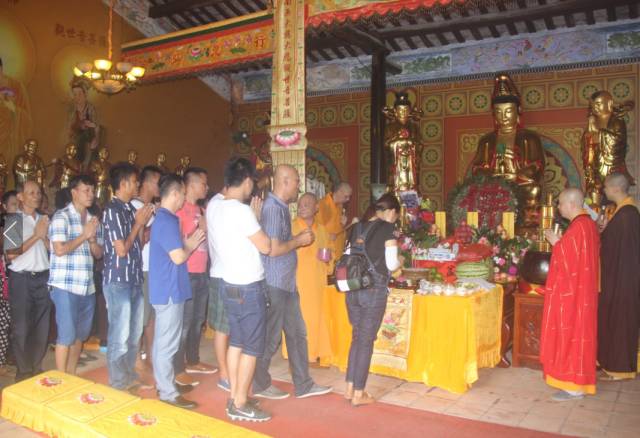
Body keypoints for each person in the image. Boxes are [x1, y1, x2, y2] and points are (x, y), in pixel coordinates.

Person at [253, 165, 331, 400]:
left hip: (287, 284)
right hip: (275, 283)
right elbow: (274, 249)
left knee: (297, 334)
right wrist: (298, 241)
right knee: (271, 337)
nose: (299, 185)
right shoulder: (274, 209)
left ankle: (303, 383)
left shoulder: (282, 208)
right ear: (284, 181)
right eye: (296, 181)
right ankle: (260, 383)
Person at [208, 157, 271, 422]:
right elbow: (265, 246)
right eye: (252, 184)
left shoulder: (214, 206)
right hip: (248, 286)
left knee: (237, 341)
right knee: (252, 347)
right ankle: (241, 403)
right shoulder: (242, 211)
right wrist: (256, 219)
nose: (252, 190)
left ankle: (235, 395)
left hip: (229, 283)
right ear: (246, 181)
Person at [150, 173, 205, 409]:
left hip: (172, 288)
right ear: (174, 194)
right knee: (167, 343)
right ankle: (167, 393)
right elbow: (179, 256)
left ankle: (167, 382)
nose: (184, 198)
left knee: (168, 342)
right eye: (182, 193)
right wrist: (191, 244)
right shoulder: (165, 220)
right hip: (168, 290)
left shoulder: (167, 219)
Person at [541, 188, 600, 401]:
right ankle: (576, 382)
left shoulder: (579, 227)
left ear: (572, 204)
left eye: (560, 203)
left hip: (574, 295)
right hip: (581, 291)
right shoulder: (586, 225)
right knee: (578, 335)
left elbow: (571, 262)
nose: (558, 207)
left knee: (572, 336)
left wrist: (557, 242)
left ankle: (574, 385)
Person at [343, 193, 401, 406]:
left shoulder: (357, 227)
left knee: (357, 337)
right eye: (396, 215)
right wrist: (400, 260)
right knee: (366, 340)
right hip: (373, 290)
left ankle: (350, 387)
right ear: (391, 212)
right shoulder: (388, 229)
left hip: (353, 288)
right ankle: (359, 393)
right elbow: (392, 264)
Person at [102, 162, 153, 392]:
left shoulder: (130, 209)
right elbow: (121, 249)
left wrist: (140, 225)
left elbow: (138, 244)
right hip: (118, 280)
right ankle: (118, 381)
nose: (137, 184)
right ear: (123, 184)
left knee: (134, 334)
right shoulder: (111, 210)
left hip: (133, 278)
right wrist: (138, 225)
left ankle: (129, 375)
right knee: (119, 335)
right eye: (134, 181)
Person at [48, 175, 103, 374]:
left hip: (87, 285)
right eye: (85, 190)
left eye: (92, 190)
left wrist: (93, 241)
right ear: (74, 193)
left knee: (80, 335)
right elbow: (60, 249)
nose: (90, 194)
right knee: (66, 336)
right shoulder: (61, 217)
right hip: (65, 286)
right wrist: (84, 235)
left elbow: (98, 254)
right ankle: (61, 379)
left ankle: (71, 376)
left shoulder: (93, 220)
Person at [175, 167, 217, 387]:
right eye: (203, 183)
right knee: (184, 322)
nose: (206, 187)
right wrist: (197, 229)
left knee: (198, 320)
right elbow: (177, 245)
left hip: (202, 272)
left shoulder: (201, 209)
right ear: (190, 185)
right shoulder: (179, 210)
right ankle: (178, 368)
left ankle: (193, 360)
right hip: (187, 272)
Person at [6, 180, 51, 381]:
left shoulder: (44, 219)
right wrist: (36, 236)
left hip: (43, 277)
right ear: (21, 197)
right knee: (22, 328)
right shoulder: (13, 220)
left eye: (38, 192)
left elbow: (51, 249)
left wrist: (45, 238)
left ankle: (36, 366)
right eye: (31, 192)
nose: (37, 195)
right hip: (21, 279)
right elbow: (11, 255)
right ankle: (23, 372)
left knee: (42, 326)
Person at [597, 173, 640, 380]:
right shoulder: (622, 212)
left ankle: (620, 369)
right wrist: (605, 230)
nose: (604, 191)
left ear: (615, 189)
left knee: (621, 320)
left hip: (624, 278)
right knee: (614, 319)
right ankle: (611, 364)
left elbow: (621, 249)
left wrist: (603, 235)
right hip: (619, 276)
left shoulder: (627, 214)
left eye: (605, 187)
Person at [292, 193, 332, 364]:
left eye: (307, 204)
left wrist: (328, 258)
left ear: (316, 208)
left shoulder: (322, 229)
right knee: (301, 318)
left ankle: (316, 352)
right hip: (298, 280)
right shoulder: (291, 227)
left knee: (318, 318)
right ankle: (302, 356)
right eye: (300, 204)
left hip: (317, 281)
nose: (302, 207)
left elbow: (330, 252)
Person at [130, 165, 162, 374]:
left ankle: (150, 356)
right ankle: (137, 359)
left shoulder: (152, 207)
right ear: (149, 182)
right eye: (158, 182)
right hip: (141, 267)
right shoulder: (135, 205)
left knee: (151, 318)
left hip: (154, 267)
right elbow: (137, 238)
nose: (161, 186)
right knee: (140, 318)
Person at [206, 187, 231, 391]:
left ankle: (229, 369)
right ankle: (224, 372)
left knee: (230, 326)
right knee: (223, 328)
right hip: (222, 273)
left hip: (231, 274)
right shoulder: (218, 204)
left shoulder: (224, 204)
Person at [316, 182, 352, 266]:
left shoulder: (340, 206)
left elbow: (337, 228)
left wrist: (343, 224)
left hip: (338, 252)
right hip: (327, 252)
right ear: (339, 192)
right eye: (346, 196)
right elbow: (317, 228)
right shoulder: (324, 204)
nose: (348, 199)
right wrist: (328, 236)